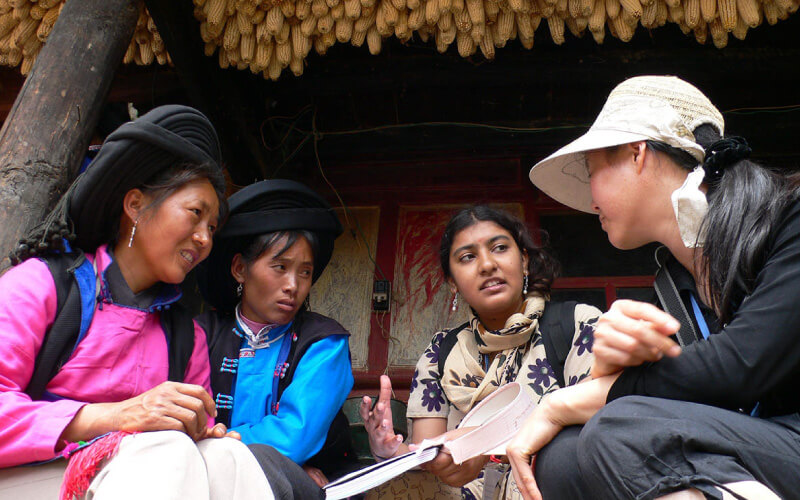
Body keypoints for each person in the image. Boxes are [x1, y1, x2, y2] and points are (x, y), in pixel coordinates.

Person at [508, 75, 800, 500]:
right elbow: (672, 400)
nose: (591, 201)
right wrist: (607, 371)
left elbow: (743, 365)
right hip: (761, 449)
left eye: (592, 172)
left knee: (619, 429)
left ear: (636, 153)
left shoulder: (791, 221)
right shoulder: (671, 293)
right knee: (564, 455)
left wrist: (563, 402)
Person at [0, 105, 279, 500]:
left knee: (226, 457)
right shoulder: (42, 285)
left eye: (212, 227)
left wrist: (203, 431)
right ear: (135, 206)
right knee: (165, 449)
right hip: (25, 478)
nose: (204, 238)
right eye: (195, 214)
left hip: (139, 476)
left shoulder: (186, 337)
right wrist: (117, 416)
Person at [361, 205, 600, 500]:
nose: (487, 265)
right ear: (452, 282)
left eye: (499, 248)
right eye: (468, 257)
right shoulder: (441, 352)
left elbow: (599, 415)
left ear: (524, 260)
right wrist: (387, 448)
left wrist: (480, 441)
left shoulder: (576, 324)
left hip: (546, 485)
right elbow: (428, 457)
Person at [196, 179, 355, 497]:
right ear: (240, 268)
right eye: (280, 267)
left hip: (307, 489)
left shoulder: (325, 344)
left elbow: (293, 439)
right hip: (207, 478)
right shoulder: (200, 333)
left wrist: (211, 444)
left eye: (305, 272)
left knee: (266, 465)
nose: (293, 285)